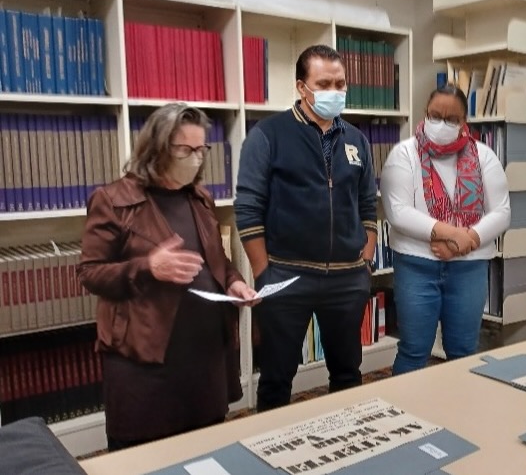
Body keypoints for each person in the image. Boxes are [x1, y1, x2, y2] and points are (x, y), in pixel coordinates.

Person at [78, 103, 258, 451]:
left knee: (206, 450)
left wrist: (235, 282)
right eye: (185, 149)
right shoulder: (113, 200)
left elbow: (217, 261)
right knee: (146, 456)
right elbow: (90, 273)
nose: (195, 158)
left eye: (201, 149)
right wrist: (147, 267)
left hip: (205, 356)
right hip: (145, 361)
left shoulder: (200, 198)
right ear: (157, 148)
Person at [235, 44, 377, 411]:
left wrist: (367, 255)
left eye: (340, 83)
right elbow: (248, 208)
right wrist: (264, 273)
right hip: (287, 275)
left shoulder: (357, 139)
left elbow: (368, 201)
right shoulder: (268, 135)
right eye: (324, 83)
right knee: (277, 378)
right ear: (302, 87)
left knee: (348, 375)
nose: (335, 91)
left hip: (347, 279)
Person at [380, 85, 511, 375]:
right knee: (414, 351)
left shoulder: (484, 156)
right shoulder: (404, 155)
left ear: (464, 122)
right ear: (425, 114)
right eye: (435, 115)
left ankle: (459, 415)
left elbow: (501, 212)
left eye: (452, 119)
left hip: (469, 268)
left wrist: (466, 242)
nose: (442, 124)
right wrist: (454, 235)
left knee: (464, 352)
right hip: (417, 266)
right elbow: (397, 211)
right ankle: (405, 414)